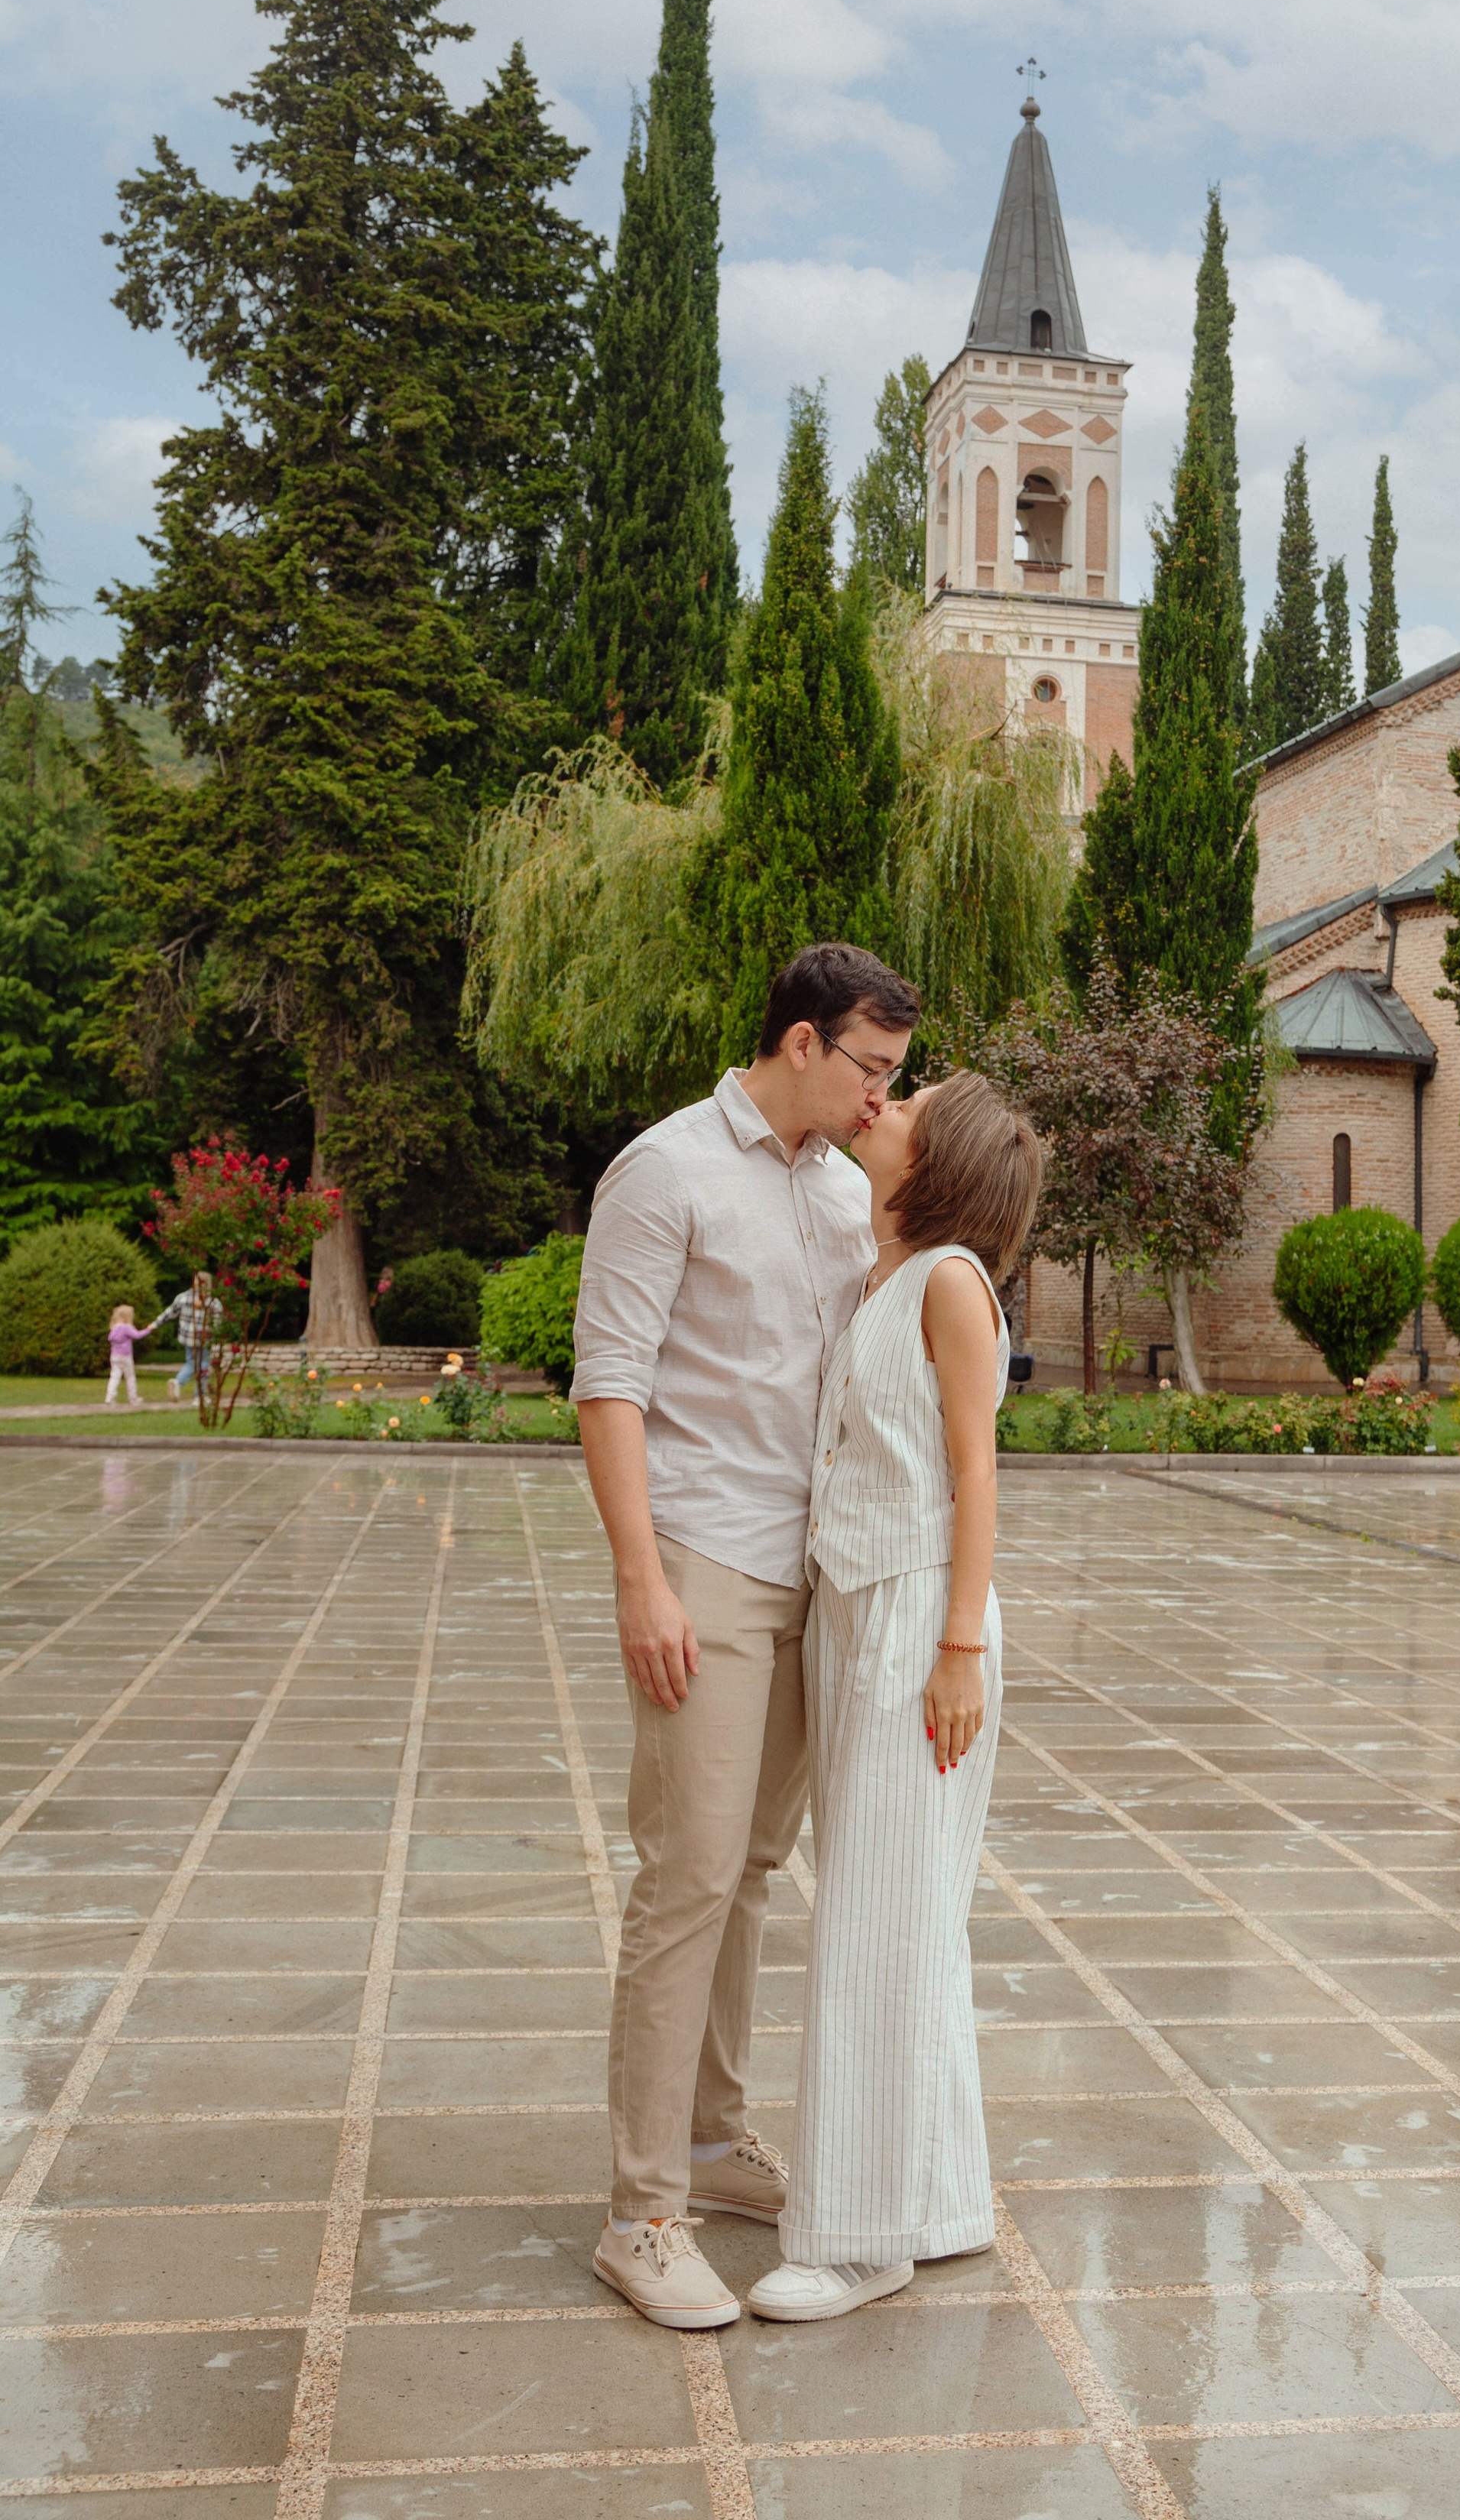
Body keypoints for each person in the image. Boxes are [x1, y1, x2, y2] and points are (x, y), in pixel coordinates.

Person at [572, 943, 921, 2332]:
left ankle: (714, 2140)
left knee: (755, 1873)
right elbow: (609, 1386)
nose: (881, 1097)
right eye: (870, 1069)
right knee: (689, 1877)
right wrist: (640, 1582)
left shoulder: (841, 1189)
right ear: (800, 1042)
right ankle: (640, 2214)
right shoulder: (664, 1172)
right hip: (705, 1560)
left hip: (815, 1571)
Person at [748, 1069, 1040, 2324]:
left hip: (923, 1623)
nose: (890, 1101)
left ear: (945, 1157)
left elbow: (979, 1473)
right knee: (903, 1914)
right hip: (857, 1613)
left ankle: (863, 2240)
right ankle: (941, 2200)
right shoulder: (886, 1273)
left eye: (916, 1101)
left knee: (877, 1919)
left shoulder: (951, 1282)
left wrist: (959, 1646)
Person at [161, 1274, 221, 1406]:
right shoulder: (213, 1302)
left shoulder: (184, 1297)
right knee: (203, 1364)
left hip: (188, 1338)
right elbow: (218, 1322)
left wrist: (155, 1324)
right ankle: (199, 1396)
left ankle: (178, 1382)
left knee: (191, 1362)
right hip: (205, 1338)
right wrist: (216, 1339)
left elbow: (169, 1313)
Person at [104, 1305, 145, 1409]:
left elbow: (110, 1338)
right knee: (130, 1377)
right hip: (126, 1356)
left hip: (114, 1356)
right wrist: (149, 1329)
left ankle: (109, 1397)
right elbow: (137, 1335)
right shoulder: (126, 1327)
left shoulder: (114, 1327)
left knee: (114, 1377)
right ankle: (133, 1398)